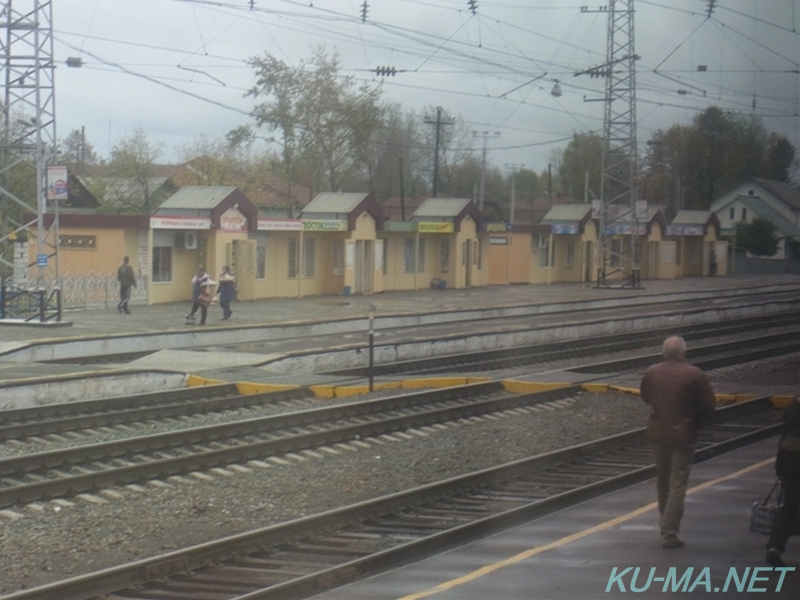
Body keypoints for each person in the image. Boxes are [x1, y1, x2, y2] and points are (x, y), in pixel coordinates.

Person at [640, 335, 716, 549]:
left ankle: (666, 523)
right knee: (677, 484)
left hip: (658, 435)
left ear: (664, 353)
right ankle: (669, 532)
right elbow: (709, 406)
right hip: (684, 436)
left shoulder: (652, 372)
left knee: (662, 482)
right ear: (684, 353)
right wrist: (696, 423)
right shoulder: (695, 374)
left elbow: (646, 397)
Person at [766, 395, 800, 567]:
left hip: (790, 462)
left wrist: (779, 466)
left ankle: (774, 548)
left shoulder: (793, 405)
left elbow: (784, 435)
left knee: (789, 507)